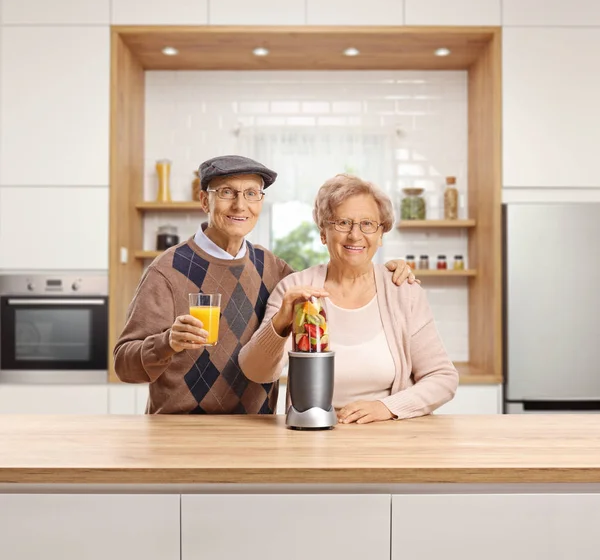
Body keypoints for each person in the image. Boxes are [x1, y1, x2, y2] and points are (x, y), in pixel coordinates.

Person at [114, 156, 416, 414]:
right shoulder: (167, 270)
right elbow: (124, 366)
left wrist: (385, 270)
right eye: (227, 193)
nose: (240, 205)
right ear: (205, 200)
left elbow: (331, 282)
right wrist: (167, 343)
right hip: (180, 432)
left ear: (261, 202)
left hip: (256, 432)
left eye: (251, 194)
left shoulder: (273, 268)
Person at [239, 173, 459, 423]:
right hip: (314, 436)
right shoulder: (297, 289)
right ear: (323, 233)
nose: (355, 235)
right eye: (342, 223)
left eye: (367, 224)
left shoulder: (402, 290)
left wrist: (386, 407)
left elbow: (443, 377)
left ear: (380, 235)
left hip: (391, 435)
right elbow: (255, 372)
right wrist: (279, 324)